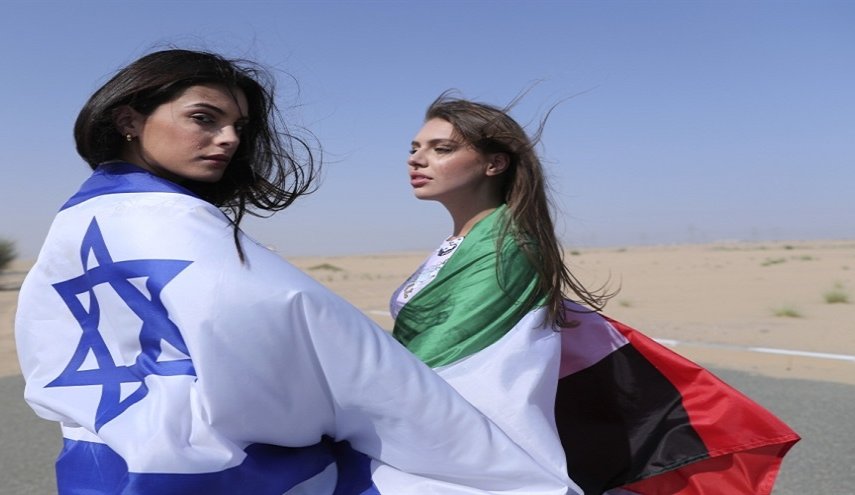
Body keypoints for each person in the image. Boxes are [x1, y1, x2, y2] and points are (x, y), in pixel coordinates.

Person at [14, 50, 573, 495]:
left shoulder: (79, 216)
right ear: (129, 120)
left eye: (237, 126)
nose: (230, 139)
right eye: (204, 119)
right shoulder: (171, 221)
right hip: (204, 467)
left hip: (104, 459)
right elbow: (278, 332)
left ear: (495, 163)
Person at [392, 92, 800, 494]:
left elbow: (443, 352)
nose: (416, 159)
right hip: (456, 429)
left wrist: (380, 401)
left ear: (494, 163)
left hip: (477, 440)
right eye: (415, 148)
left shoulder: (508, 246)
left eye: (441, 149)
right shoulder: (464, 243)